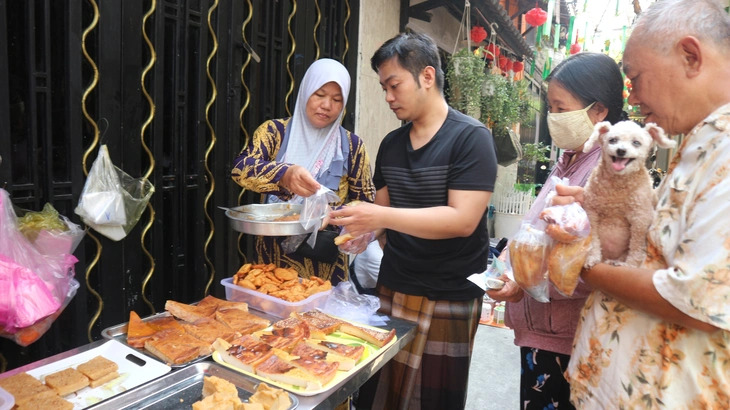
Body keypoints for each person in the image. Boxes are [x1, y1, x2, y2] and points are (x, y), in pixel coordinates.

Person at [551, 1, 730, 407]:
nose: (632, 95)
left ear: (690, 56)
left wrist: (580, 259)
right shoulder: (701, 141)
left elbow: (693, 299)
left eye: (634, 76)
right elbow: (660, 248)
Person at [330, 32, 497, 409]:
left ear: (426, 76)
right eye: (384, 87)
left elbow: (462, 220)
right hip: (395, 285)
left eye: (394, 85)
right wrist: (365, 231)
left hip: (450, 292)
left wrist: (380, 215)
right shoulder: (391, 143)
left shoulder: (470, 138)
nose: (388, 97)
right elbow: (383, 215)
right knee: (380, 394)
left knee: (434, 400)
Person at [486, 52, 626, 410]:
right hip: (543, 331)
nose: (553, 117)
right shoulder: (569, 160)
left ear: (599, 111)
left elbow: (594, 262)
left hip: (567, 336)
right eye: (551, 106)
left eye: (562, 108)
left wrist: (527, 282)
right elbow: (532, 228)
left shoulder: (609, 170)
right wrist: (506, 267)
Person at [231, 58, 375, 284]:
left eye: (337, 100)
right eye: (320, 94)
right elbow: (240, 169)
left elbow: (365, 201)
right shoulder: (274, 132)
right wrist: (284, 174)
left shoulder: (352, 146)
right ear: (306, 91)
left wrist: (354, 229)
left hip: (326, 267)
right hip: (272, 263)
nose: (327, 105)